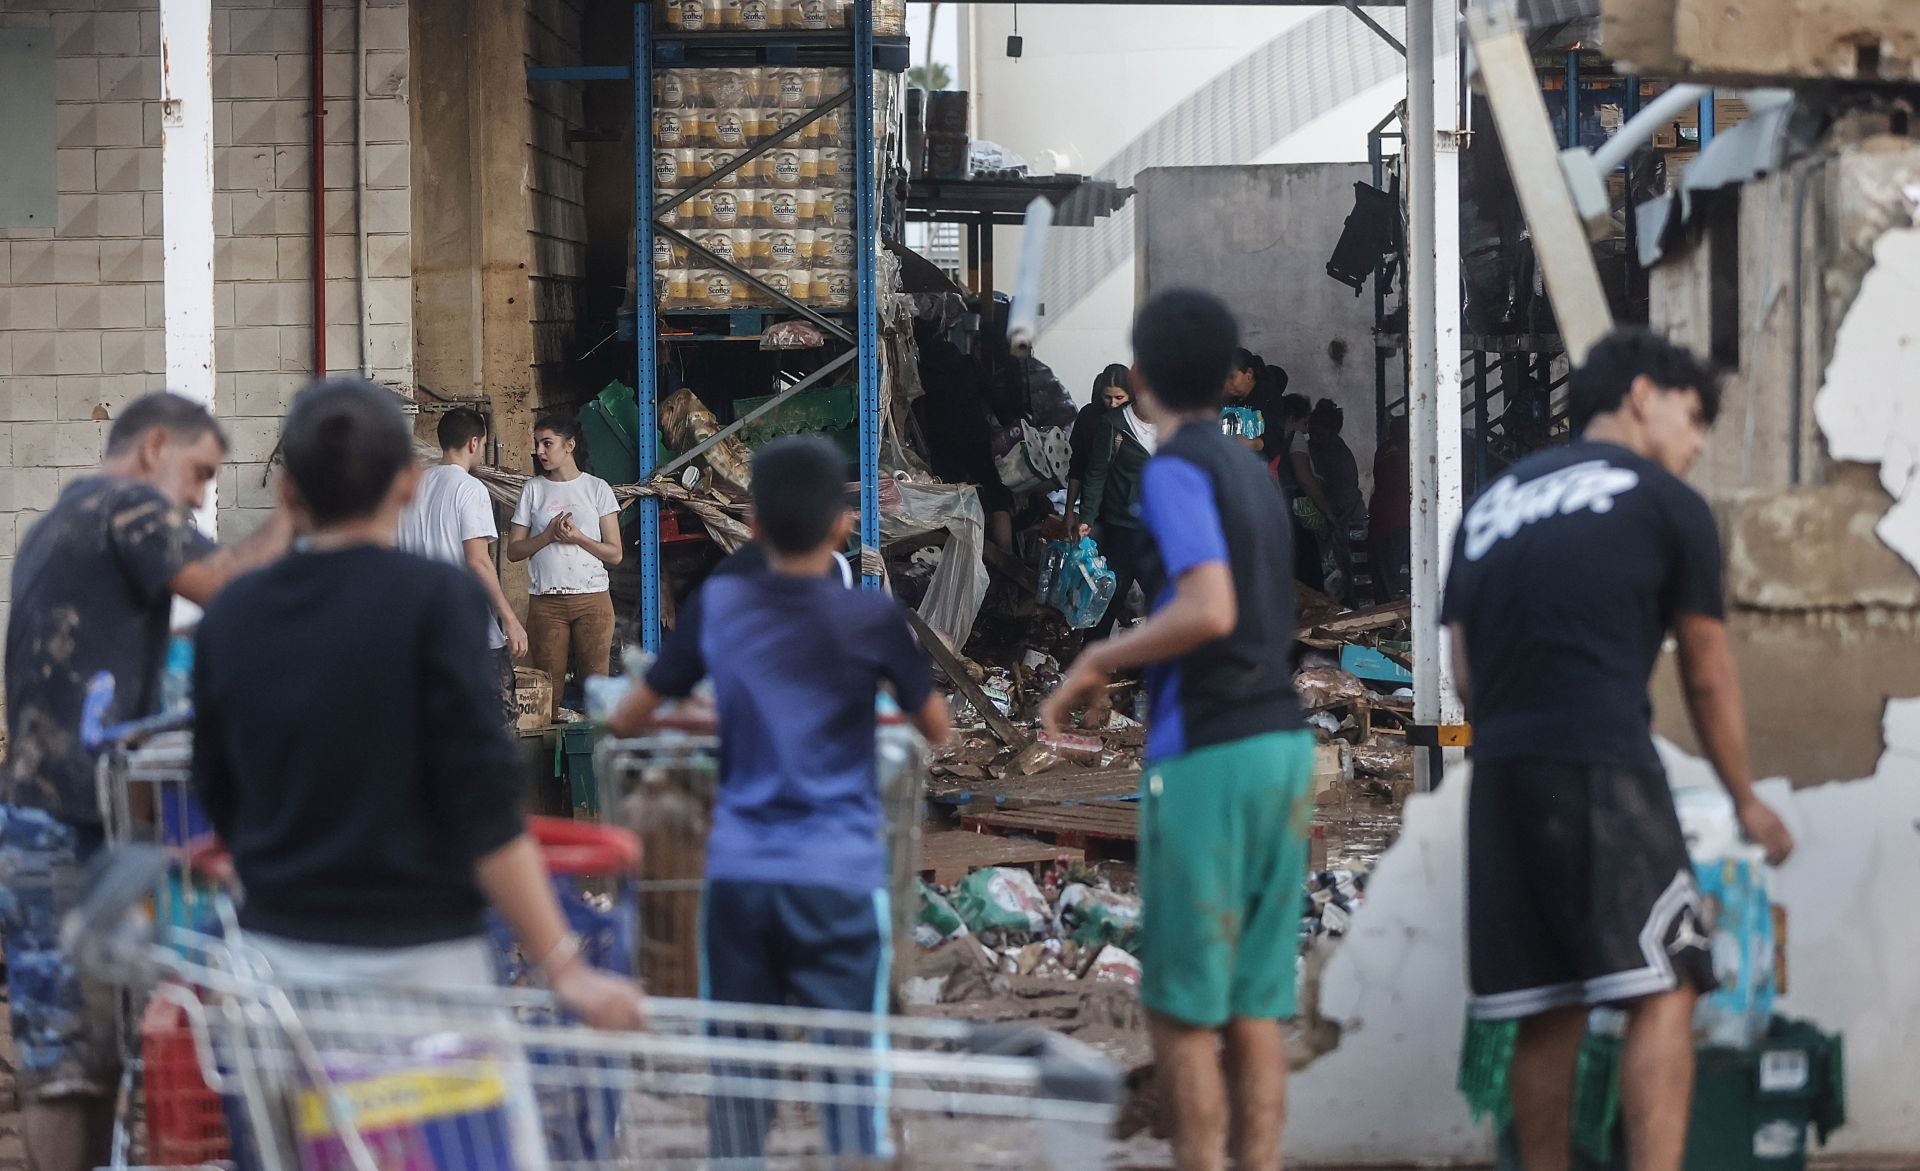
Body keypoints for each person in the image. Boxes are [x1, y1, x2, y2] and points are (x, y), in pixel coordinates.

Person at [191, 379, 646, 1162]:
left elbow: (221, 794)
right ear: (407, 483)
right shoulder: (434, 602)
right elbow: (481, 803)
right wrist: (564, 965)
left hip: (278, 975)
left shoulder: (235, 614)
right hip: (424, 973)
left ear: (290, 489)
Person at [1443, 329, 1795, 1171]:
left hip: (1501, 776)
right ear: (1643, 395)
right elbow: (1707, 672)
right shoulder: (1664, 499)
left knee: (1547, 1006)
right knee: (1666, 985)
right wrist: (1745, 796)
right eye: (1694, 413)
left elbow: (1463, 668)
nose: (1699, 438)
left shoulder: (1494, 501)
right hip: (1601, 766)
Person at [605, 436, 950, 1162]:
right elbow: (936, 727)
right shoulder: (869, 618)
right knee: (849, 1071)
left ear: (752, 524)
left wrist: (712, 712)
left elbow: (627, 716)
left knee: (740, 1073)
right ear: (842, 525)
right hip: (839, 877)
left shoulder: (723, 603)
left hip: (742, 879)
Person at [1043, 291, 1311, 1171]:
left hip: (1211, 754)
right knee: (1256, 1003)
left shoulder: (1179, 466)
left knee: (1187, 1011)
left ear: (1140, 377)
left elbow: (1206, 604)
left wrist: (1098, 660)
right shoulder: (1251, 469)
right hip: (1282, 744)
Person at [1, 392, 292, 1171]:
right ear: (154, 444)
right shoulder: (125, 504)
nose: (200, 495)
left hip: (48, 814)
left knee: (79, 1055)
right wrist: (296, 515)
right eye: (198, 472)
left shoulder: (64, 519)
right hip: (66, 820)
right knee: (71, 1062)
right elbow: (228, 586)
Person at [397, 407, 530, 721]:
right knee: (495, 724)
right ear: (474, 443)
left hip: (420, 630)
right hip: (467, 631)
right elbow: (478, 562)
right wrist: (509, 618)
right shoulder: (470, 490)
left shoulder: (411, 490)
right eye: (483, 444)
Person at [507, 413, 625, 720]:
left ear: (569, 445)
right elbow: (514, 551)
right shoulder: (532, 489)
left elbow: (614, 554)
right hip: (546, 602)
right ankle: (548, 760)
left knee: (596, 686)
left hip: (593, 599)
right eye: (537, 445)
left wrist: (578, 537)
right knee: (545, 690)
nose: (540, 451)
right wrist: (547, 535)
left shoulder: (597, 489)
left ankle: (592, 758)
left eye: (547, 443)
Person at [1079, 377, 1158, 640]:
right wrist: (1086, 517)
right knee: (1110, 594)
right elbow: (1097, 472)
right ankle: (1093, 657)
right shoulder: (1115, 425)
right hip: (1122, 525)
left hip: (1158, 527)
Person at [1306, 399, 1367, 597]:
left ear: (1332, 432)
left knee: (1345, 576)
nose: (1315, 438)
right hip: (1332, 519)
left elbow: (1343, 499)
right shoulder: (1311, 449)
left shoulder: (1340, 457)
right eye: (1312, 433)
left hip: (1346, 520)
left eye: (1320, 434)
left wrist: (1331, 519)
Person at [1268, 392, 1328, 591]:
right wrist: (1328, 515)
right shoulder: (1294, 439)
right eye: (1304, 423)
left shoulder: (1265, 436)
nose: (1306, 430)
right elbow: (1305, 478)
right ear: (1292, 418)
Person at [1066, 364, 1132, 531]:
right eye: (1107, 397)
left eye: (1119, 398)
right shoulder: (1089, 417)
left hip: (1126, 506)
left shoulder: (1135, 421)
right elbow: (1077, 466)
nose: (1113, 404)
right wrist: (1069, 510)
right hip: (1094, 503)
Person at [1368, 412, 1412, 601]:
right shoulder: (1417, 452)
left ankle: (1386, 620)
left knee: (1386, 581)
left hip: (1383, 522)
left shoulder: (1383, 451)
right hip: (1408, 521)